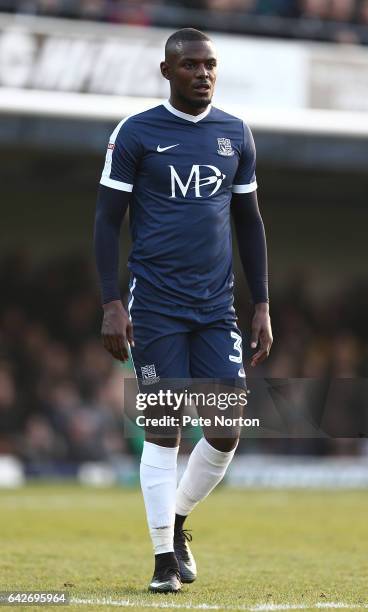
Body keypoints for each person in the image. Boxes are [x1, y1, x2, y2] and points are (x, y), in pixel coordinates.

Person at [94, 28, 273, 593]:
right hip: (156, 305)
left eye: (210, 65)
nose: (203, 74)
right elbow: (106, 221)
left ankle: (175, 521)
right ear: (166, 71)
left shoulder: (235, 133)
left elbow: (249, 222)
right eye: (191, 65)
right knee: (164, 429)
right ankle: (162, 561)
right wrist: (110, 301)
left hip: (217, 308)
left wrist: (262, 301)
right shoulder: (137, 132)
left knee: (225, 429)